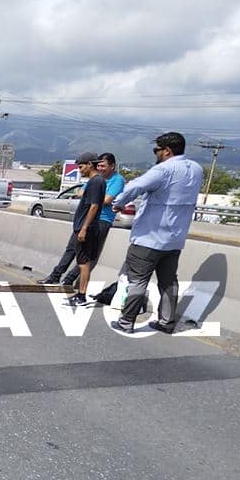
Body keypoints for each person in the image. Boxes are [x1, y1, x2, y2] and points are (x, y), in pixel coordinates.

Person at [109, 132, 204, 333]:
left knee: (137, 280)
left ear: (167, 151)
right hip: (175, 239)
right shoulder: (196, 169)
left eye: (157, 150)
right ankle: (166, 322)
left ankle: (126, 322)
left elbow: (136, 186)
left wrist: (119, 203)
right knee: (168, 282)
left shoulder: (164, 169)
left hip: (148, 238)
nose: (156, 153)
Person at [51, 152, 124, 287]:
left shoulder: (116, 180)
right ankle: (55, 275)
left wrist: (94, 197)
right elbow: (80, 193)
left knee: (86, 256)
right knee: (72, 248)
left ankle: (69, 280)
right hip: (85, 219)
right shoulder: (95, 180)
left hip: (101, 221)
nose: (100, 168)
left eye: (103, 166)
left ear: (112, 166)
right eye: (99, 165)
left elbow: (105, 201)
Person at [63, 153, 107, 307]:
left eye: (81, 167)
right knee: (83, 261)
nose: (80, 170)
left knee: (83, 263)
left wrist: (84, 228)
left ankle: (81, 296)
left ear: (89, 164)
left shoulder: (96, 182)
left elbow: (94, 206)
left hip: (87, 228)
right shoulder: (96, 181)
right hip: (86, 227)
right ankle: (80, 294)